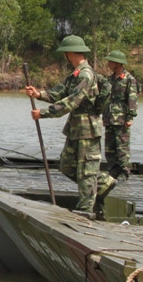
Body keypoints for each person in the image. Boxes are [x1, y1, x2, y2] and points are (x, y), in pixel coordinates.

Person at [24, 35, 116, 219]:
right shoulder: (76, 74)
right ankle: (104, 181)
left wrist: (44, 113)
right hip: (75, 128)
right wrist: (39, 93)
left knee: (86, 171)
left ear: (69, 53)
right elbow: (61, 92)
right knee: (67, 166)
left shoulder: (85, 74)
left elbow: (72, 101)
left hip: (87, 129)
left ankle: (85, 210)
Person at [103, 49, 138, 181]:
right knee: (109, 148)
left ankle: (124, 173)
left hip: (122, 118)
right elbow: (106, 98)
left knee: (122, 148)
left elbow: (132, 98)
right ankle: (112, 172)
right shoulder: (110, 79)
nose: (108, 63)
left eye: (110, 61)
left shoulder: (129, 79)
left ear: (118, 63)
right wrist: (104, 116)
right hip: (110, 118)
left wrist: (130, 117)